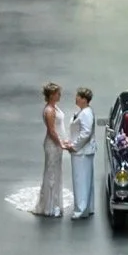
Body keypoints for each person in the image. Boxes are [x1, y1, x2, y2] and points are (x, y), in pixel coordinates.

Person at [35, 82, 69, 218]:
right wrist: (60, 143)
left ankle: (54, 202)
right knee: (51, 173)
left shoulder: (54, 107)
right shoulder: (49, 111)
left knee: (56, 171)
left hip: (57, 144)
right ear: (51, 95)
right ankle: (49, 205)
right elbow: (52, 131)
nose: (59, 95)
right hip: (52, 145)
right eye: (57, 93)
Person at [66, 87, 98, 219]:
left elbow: (86, 133)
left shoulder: (86, 113)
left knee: (80, 180)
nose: (76, 98)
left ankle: (81, 209)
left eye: (78, 96)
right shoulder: (83, 111)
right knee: (86, 180)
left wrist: (74, 146)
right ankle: (87, 206)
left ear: (84, 99)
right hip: (83, 151)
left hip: (82, 152)